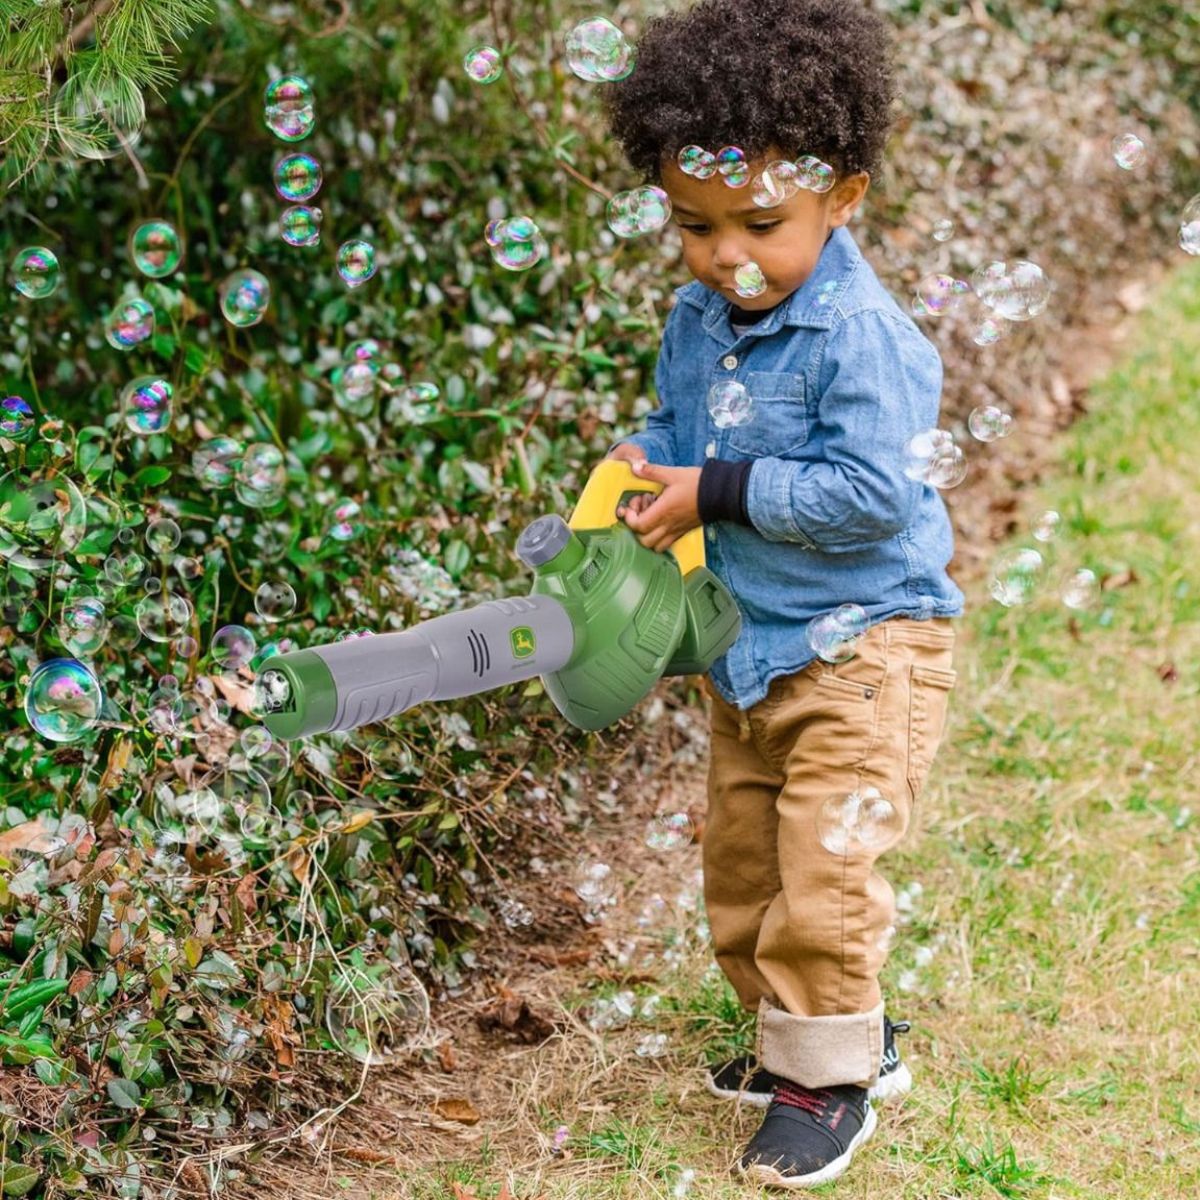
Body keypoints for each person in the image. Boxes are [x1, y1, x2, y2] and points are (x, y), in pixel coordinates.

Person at [601, 0, 965, 1187]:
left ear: (842, 197)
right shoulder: (701, 314)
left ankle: (827, 1084)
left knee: (824, 870)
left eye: (762, 223)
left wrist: (716, 490)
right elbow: (678, 428)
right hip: (752, 648)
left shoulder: (861, 336)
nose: (725, 255)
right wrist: (647, 474)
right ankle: (813, 1037)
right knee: (748, 868)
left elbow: (868, 494)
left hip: (868, 650)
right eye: (694, 225)